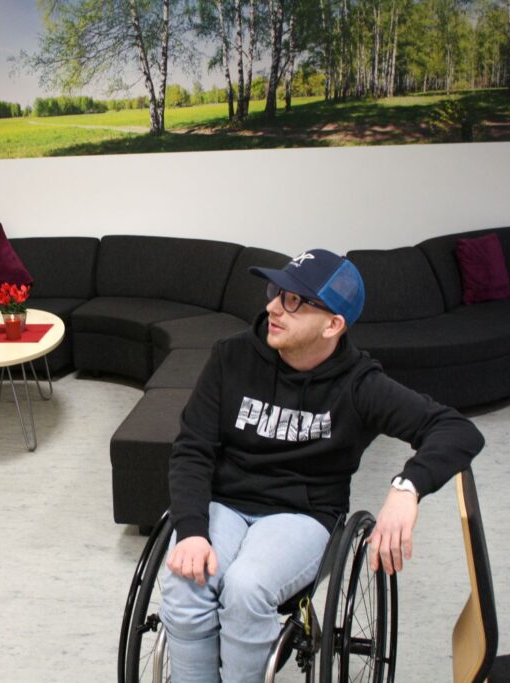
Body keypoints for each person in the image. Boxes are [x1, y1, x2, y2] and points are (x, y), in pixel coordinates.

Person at [159, 249, 484, 682]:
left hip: (303, 513)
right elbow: (192, 448)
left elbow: (456, 430)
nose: (274, 308)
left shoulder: (359, 385)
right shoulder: (231, 357)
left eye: (294, 300)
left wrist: (407, 488)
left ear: (333, 325)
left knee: (245, 588)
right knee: (185, 584)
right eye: (276, 292)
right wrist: (191, 531)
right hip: (225, 502)